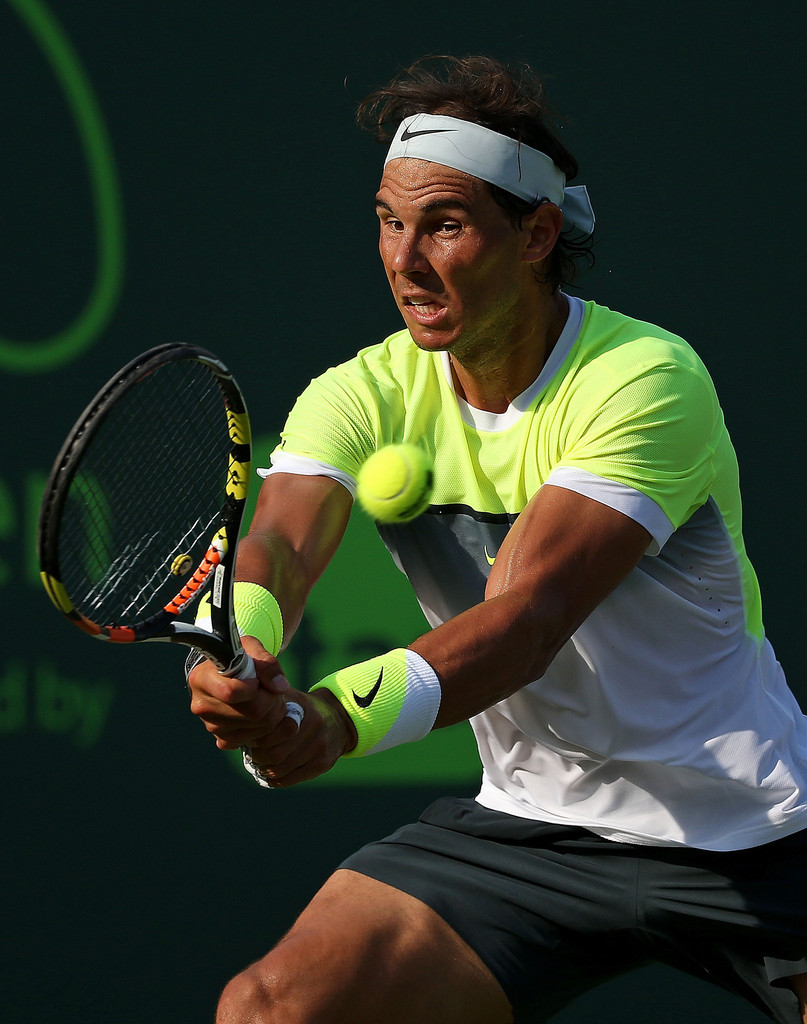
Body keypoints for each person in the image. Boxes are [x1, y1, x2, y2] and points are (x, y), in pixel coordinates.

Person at [187, 55, 807, 1024]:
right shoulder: (361, 390)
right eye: (390, 221)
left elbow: (527, 618)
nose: (404, 257)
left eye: (443, 223)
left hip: (748, 827)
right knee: (271, 1009)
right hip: (530, 828)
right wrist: (249, 650)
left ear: (536, 234)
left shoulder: (644, 376)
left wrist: (334, 718)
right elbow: (279, 547)